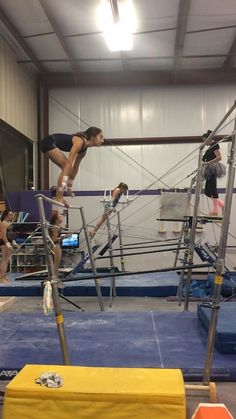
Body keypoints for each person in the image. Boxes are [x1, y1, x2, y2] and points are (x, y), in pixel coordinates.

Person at [40, 127, 104, 203]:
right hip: (48, 142)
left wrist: (69, 186)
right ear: (93, 137)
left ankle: (59, 193)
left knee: (68, 169)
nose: (103, 140)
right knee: (66, 167)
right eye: (101, 137)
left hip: (50, 144)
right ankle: (59, 195)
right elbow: (69, 164)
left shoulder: (83, 151)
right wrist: (63, 189)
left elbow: (75, 168)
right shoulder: (79, 141)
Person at [202, 130, 226, 216]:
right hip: (208, 168)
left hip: (212, 168)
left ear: (209, 139)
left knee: (212, 188)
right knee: (207, 191)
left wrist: (207, 163)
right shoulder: (209, 147)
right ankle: (221, 204)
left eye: (205, 140)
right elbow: (204, 159)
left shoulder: (215, 145)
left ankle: (215, 211)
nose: (204, 142)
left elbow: (219, 157)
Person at [49, 211, 63, 282]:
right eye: (60, 217)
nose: (62, 218)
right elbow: (54, 239)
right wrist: (64, 237)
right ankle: (55, 278)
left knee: (57, 263)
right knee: (56, 263)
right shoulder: (55, 227)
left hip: (57, 245)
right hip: (55, 246)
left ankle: (56, 278)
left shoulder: (57, 227)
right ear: (56, 220)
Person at [0, 209, 13, 283]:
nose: (11, 216)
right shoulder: (3, 223)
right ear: (5, 215)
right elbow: (4, 236)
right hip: (4, 242)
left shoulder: (7, 223)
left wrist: (13, 243)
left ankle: (4, 275)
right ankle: (1, 277)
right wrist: (8, 245)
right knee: (4, 260)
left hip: (8, 242)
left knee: (7, 259)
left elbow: (10, 234)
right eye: (10, 215)